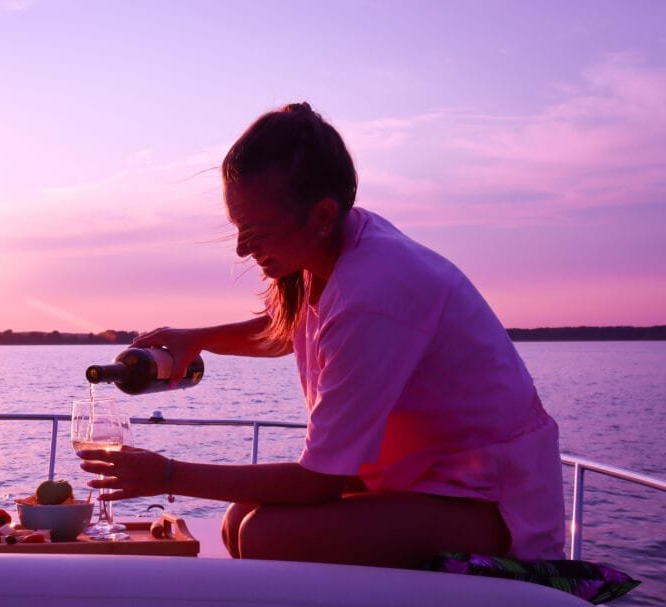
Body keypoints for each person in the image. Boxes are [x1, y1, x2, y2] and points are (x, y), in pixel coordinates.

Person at [77, 102, 565, 568]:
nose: (245, 250)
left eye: (259, 230)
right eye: (237, 227)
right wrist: (196, 338)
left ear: (323, 214)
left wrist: (167, 474)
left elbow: (320, 482)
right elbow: (284, 333)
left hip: (490, 501)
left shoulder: (375, 291)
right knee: (238, 522)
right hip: (422, 480)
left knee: (266, 535)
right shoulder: (329, 251)